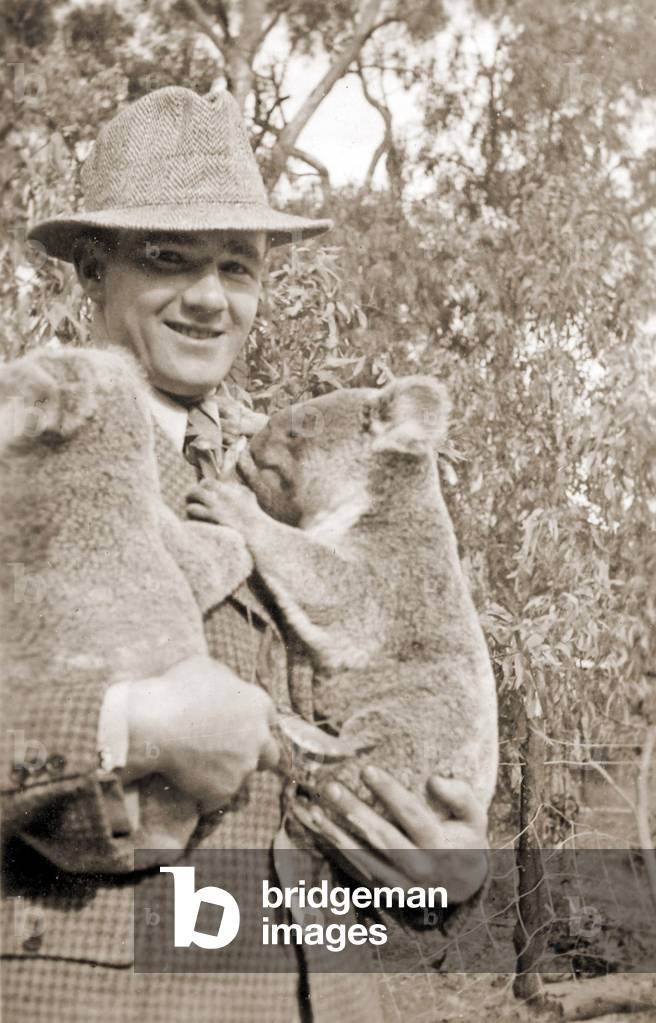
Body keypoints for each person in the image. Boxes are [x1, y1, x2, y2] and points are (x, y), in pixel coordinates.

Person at [1, 87, 489, 1023]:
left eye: (239, 265)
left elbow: (384, 710)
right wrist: (127, 729)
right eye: (167, 258)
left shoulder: (300, 478)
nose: (209, 296)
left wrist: (440, 868)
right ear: (89, 273)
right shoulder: (24, 439)